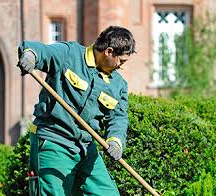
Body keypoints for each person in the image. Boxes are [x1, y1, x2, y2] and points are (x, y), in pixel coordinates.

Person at [17, 26, 136, 195]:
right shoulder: (69, 54)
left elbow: (118, 118)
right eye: (121, 61)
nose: (120, 66)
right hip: (54, 141)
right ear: (109, 52)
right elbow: (39, 51)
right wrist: (29, 56)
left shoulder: (118, 85)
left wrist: (116, 141)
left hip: (86, 148)